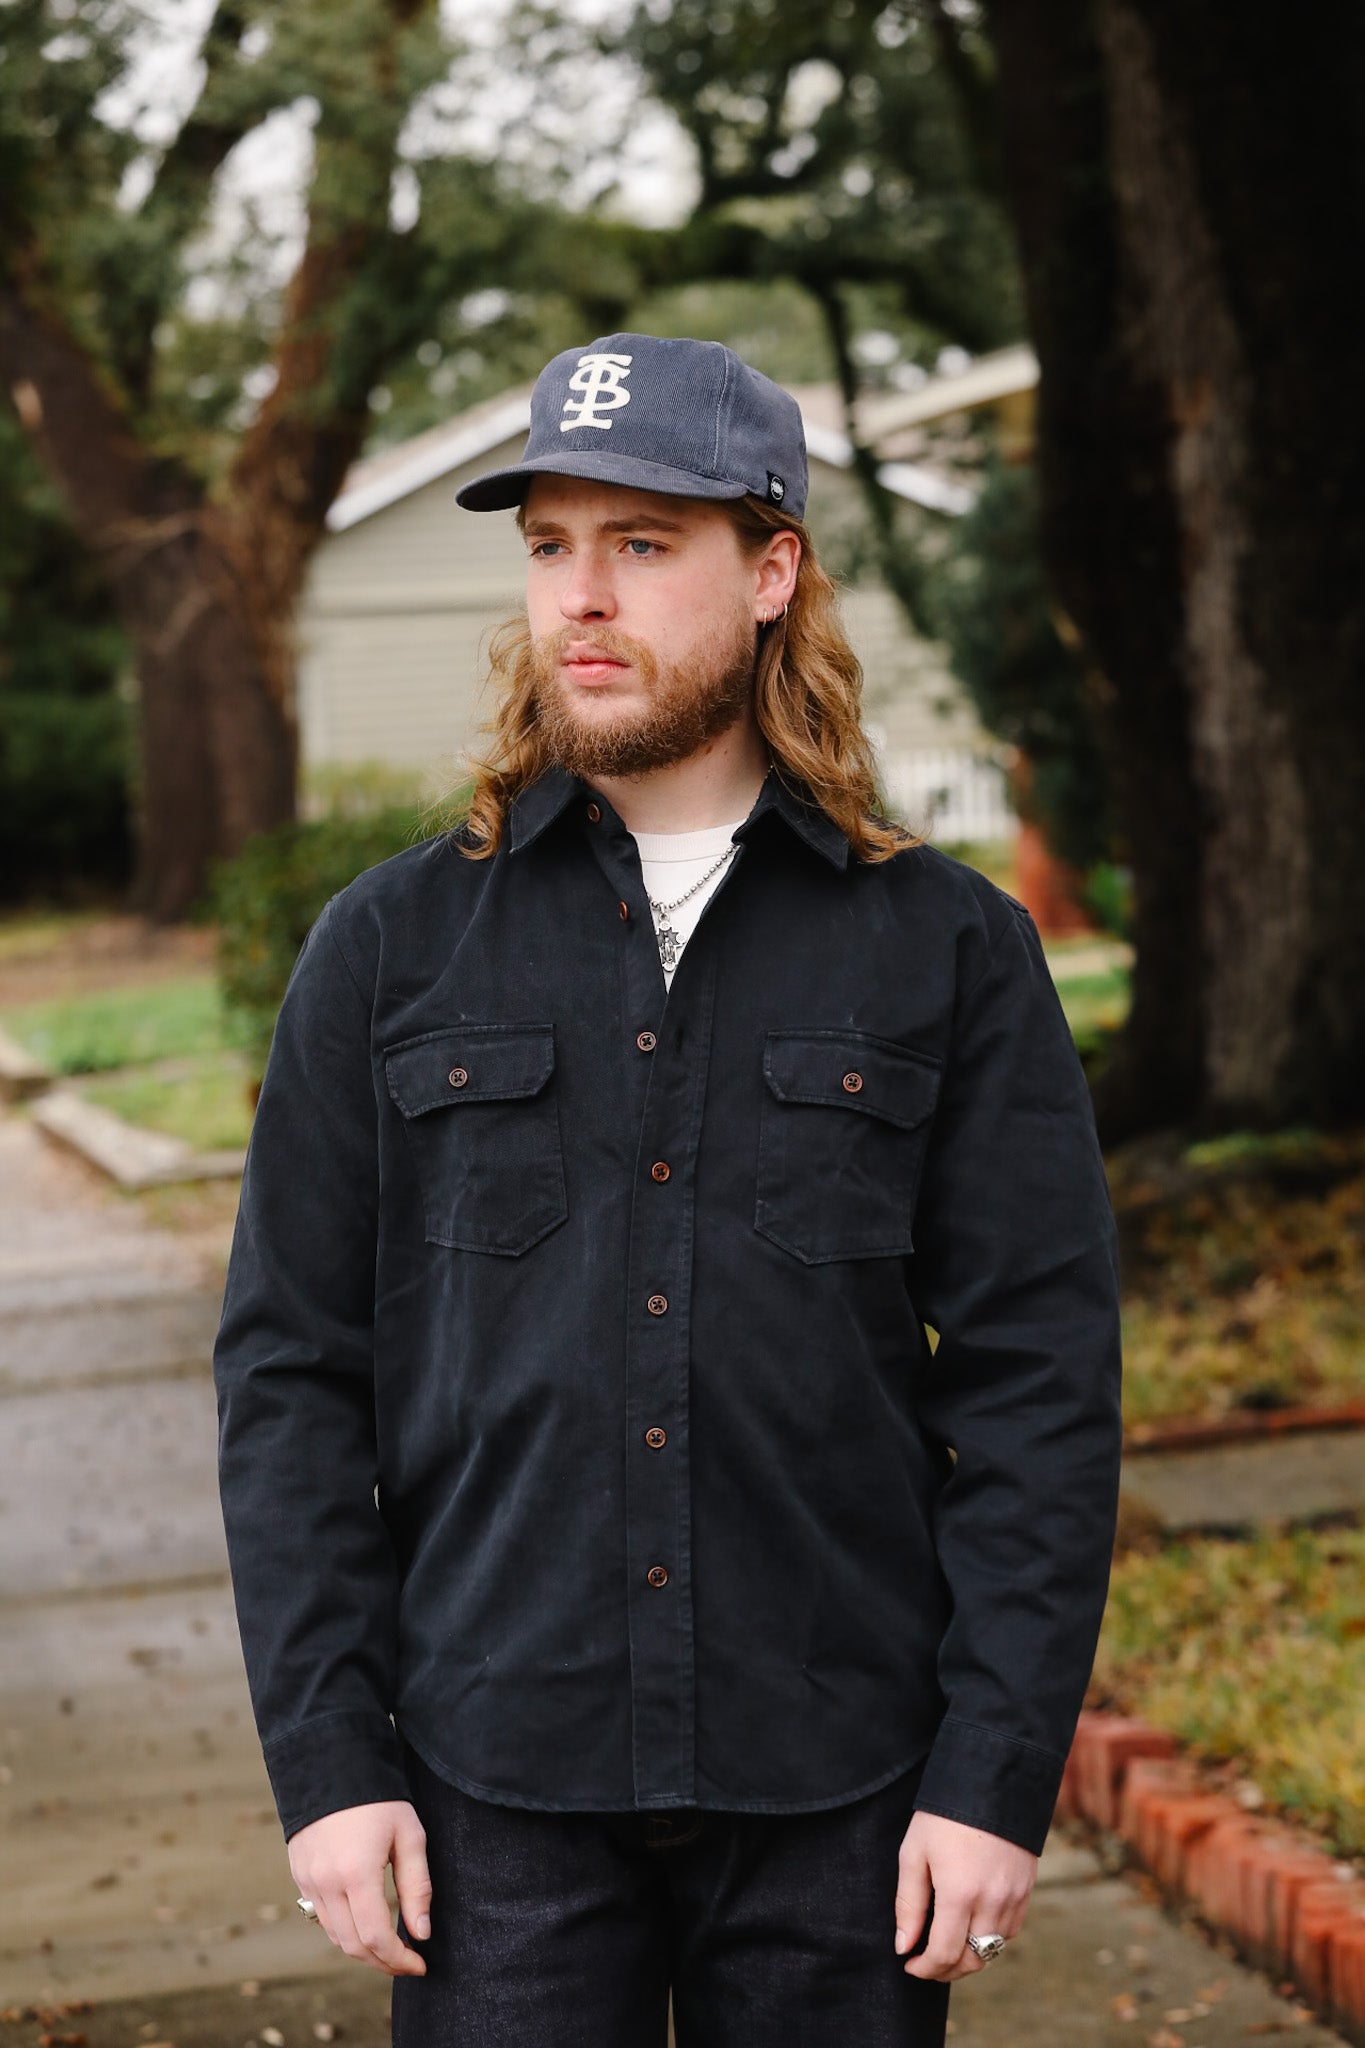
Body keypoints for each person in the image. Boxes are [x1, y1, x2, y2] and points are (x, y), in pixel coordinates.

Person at [212, 331, 1124, 2047]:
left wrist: (992, 1778)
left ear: (770, 568)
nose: (582, 597)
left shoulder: (946, 951)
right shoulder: (391, 949)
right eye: (551, 545)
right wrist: (332, 1767)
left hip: (846, 1792)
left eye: (643, 543)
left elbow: (1039, 1392)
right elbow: (291, 1379)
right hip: (489, 1796)